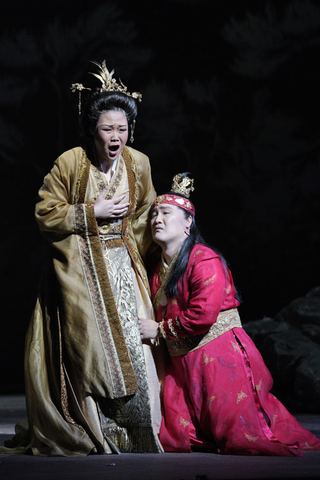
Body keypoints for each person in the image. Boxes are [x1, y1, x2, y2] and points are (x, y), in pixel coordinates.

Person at [0, 60, 163, 456]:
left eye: (122, 129)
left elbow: (144, 213)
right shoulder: (72, 162)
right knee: (90, 351)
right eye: (107, 128)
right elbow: (45, 211)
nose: (115, 136)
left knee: (135, 349)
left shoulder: (138, 163)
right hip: (80, 272)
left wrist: (140, 253)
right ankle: (96, 432)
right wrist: (92, 213)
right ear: (93, 129)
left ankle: (139, 434)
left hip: (123, 267)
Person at [139, 172, 320, 456]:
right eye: (153, 215)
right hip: (182, 361)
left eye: (165, 213)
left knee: (240, 435)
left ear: (188, 223)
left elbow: (203, 314)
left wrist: (159, 330)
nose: (157, 220)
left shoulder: (204, 259)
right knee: (173, 435)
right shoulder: (156, 270)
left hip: (218, 353)